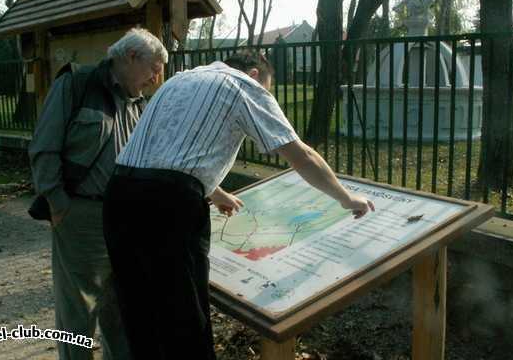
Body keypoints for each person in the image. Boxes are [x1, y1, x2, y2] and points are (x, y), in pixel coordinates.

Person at [102, 50, 375, 360]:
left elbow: (166, 154)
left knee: (140, 313)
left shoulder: (178, 80)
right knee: (183, 320)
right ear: (256, 75)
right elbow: (301, 155)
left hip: (119, 195)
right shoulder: (243, 85)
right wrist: (347, 198)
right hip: (168, 208)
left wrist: (216, 194)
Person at [28, 27, 167, 360]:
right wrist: (58, 203)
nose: (155, 79)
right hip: (81, 217)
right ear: (131, 57)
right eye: (154, 69)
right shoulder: (77, 84)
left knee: (120, 308)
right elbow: (44, 147)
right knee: (78, 311)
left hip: (126, 221)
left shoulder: (139, 104)